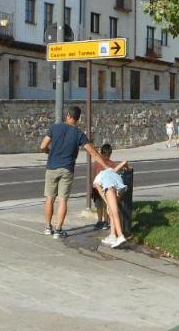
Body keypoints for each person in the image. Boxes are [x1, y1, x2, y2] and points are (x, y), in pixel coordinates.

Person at [38, 106, 108, 238]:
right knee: (63, 200)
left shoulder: (54, 128)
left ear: (68, 115)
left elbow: (42, 146)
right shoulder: (79, 134)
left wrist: (49, 152)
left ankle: (48, 227)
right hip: (67, 169)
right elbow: (92, 152)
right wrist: (105, 165)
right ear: (78, 118)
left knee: (49, 198)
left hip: (52, 167)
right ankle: (58, 230)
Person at [91, 144, 132, 247]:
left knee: (113, 212)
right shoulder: (110, 170)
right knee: (113, 211)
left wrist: (107, 203)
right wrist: (128, 168)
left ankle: (120, 236)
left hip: (110, 188)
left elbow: (101, 192)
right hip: (121, 186)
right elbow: (124, 162)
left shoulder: (97, 180)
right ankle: (113, 235)